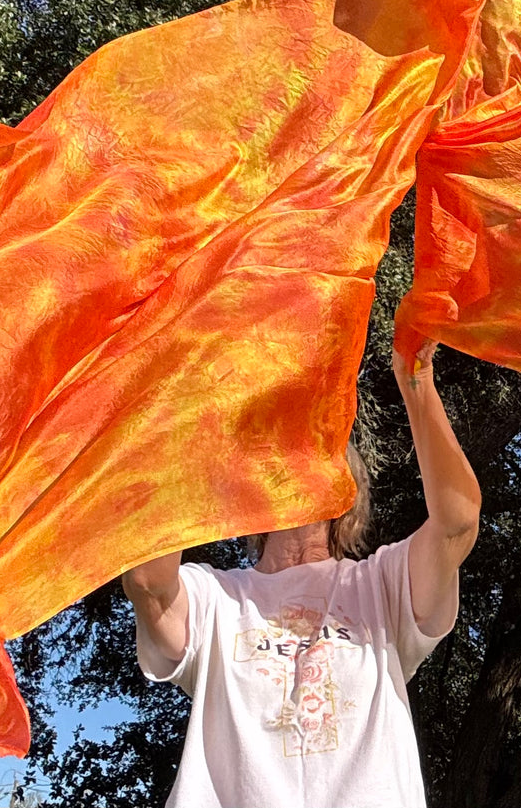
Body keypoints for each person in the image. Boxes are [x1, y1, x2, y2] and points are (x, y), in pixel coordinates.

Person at [121, 336, 482, 807]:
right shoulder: (215, 598)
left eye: (314, 450)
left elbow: (457, 522)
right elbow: (148, 581)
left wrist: (415, 377)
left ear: (345, 490)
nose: (293, 463)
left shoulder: (382, 583)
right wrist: (185, 408)